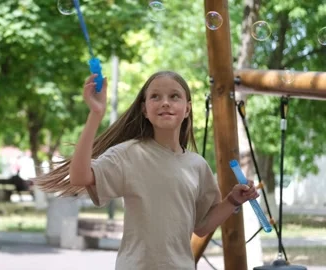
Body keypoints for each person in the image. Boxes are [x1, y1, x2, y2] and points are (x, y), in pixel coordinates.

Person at [34, 71, 259, 269]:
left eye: (174, 96)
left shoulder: (197, 165)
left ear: (187, 109)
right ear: (144, 109)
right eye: (155, 96)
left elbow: (202, 227)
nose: (165, 103)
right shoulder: (128, 154)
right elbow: (79, 176)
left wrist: (231, 201)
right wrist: (96, 114)